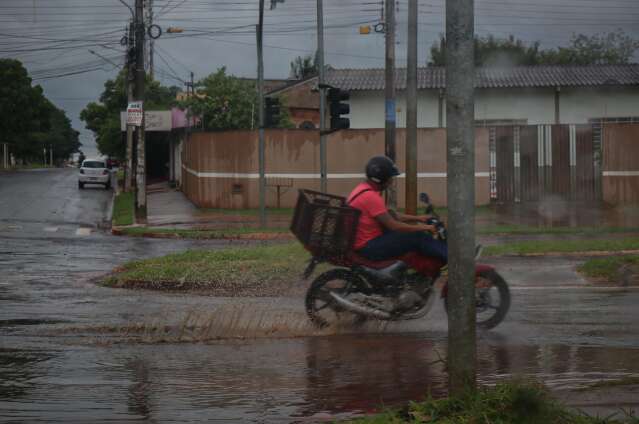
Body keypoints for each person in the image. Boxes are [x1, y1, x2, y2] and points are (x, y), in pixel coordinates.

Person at [347, 155, 448, 263]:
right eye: (390, 178)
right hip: (369, 247)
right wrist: (426, 227)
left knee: (411, 234)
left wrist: (419, 218)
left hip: (365, 243)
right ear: (381, 178)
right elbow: (394, 225)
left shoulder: (362, 189)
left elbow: (390, 215)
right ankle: (451, 260)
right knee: (417, 237)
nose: (391, 181)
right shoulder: (370, 197)